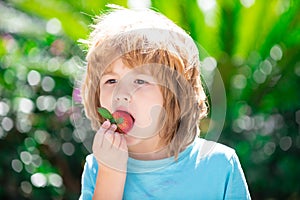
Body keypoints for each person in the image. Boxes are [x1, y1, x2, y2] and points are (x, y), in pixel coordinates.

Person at [79, 5, 251, 200]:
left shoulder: (219, 165)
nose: (121, 93)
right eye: (111, 81)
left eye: (140, 81)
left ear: (176, 96)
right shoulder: (98, 166)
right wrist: (110, 175)